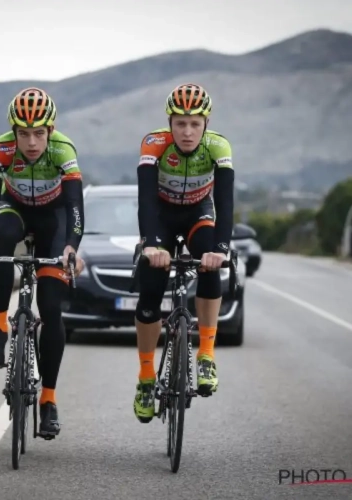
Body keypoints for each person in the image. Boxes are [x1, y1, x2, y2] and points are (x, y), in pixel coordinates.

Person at [0, 87, 85, 438]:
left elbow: (76, 207)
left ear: (51, 130)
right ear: (13, 132)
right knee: (1, 239)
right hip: (14, 208)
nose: (31, 142)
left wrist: (71, 248)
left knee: (51, 308)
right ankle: (0, 326)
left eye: (38, 133)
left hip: (54, 219)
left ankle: (48, 399)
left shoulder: (64, 150)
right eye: (23, 134)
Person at [132, 83, 235, 423]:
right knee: (151, 287)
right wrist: (150, 244)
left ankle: (206, 354)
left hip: (197, 213)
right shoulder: (154, 144)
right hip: (161, 215)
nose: (187, 131)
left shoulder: (218, 147)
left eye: (194, 123)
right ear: (170, 123)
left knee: (209, 262)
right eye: (180, 123)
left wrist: (221, 249)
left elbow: (225, 202)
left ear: (206, 123)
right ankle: (146, 378)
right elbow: (146, 199)